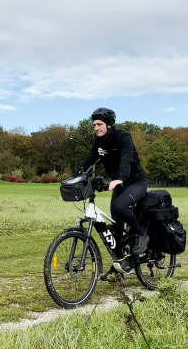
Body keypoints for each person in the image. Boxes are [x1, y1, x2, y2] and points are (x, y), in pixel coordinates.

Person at [75, 108, 149, 277]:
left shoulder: (123, 137)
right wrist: (73, 178)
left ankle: (140, 236)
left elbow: (127, 159)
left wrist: (120, 178)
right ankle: (121, 263)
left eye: (99, 124)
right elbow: (89, 160)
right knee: (116, 222)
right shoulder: (99, 142)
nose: (96, 128)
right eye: (94, 124)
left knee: (120, 207)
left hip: (136, 182)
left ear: (108, 124)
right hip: (120, 185)